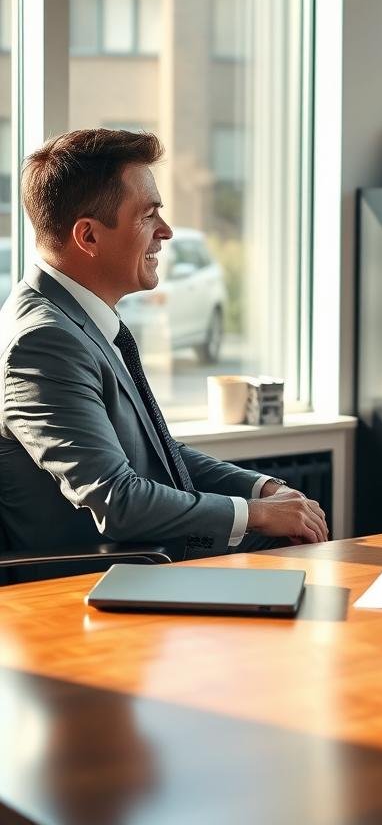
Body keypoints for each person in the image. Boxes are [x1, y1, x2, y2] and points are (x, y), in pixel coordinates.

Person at [0, 128, 329, 570]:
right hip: (100, 583)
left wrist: (263, 490)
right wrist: (258, 515)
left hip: (148, 559)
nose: (167, 231)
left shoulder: (76, 322)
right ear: (89, 237)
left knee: (304, 544)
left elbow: (158, 450)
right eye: (148, 215)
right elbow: (117, 500)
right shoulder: (43, 341)